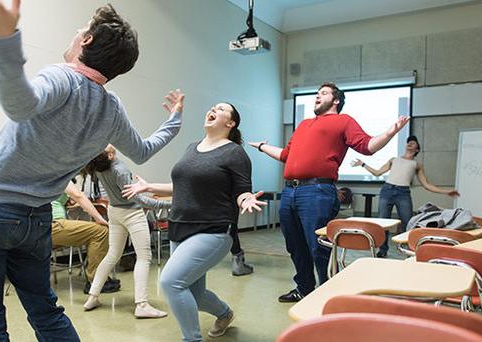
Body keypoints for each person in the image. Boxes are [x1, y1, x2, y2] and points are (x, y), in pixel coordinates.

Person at [0, 2, 182, 340]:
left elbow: (20, 106)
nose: (75, 32)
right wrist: (174, 120)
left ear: (87, 40)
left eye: (81, 28)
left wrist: (5, 40)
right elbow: (143, 151)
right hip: (34, 222)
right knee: (46, 312)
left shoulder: (63, 76)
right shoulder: (111, 108)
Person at [249, 82, 409, 303]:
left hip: (317, 191)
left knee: (318, 247)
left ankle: (327, 292)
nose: (317, 97)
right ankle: (304, 288)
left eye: (323, 93)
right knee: (294, 245)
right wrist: (261, 147)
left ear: (335, 101)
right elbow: (286, 155)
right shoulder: (304, 124)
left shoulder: (344, 121)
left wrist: (392, 131)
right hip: (290, 192)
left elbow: (367, 146)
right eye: (316, 94)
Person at [122, 102, 266, 341]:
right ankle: (224, 314)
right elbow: (181, 186)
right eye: (212, 107)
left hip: (214, 229)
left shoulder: (234, 152)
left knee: (171, 282)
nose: (213, 109)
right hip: (181, 227)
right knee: (195, 295)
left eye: (221, 109)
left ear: (230, 123)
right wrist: (149, 186)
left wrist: (246, 199)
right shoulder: (192, 148)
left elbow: (242, 190)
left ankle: (192, 338)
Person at [81, 145, 171, 317]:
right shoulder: (119, 169)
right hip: (132, 214)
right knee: (144, 257)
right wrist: (170, 203)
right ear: (110, 154)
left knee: (112, 255)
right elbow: (139, 199)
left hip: (114, 212)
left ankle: (93, 296)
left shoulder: (98, 167)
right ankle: (142, 305)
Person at [351, 135, 460, 257]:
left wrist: (446, 191)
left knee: (408, 222)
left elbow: (427, 185)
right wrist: (362, 164)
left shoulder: (416, 164)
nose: (410, 143)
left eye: (413, 143)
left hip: (403, 193)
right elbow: (378, 173)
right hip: (387, 190)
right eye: (409, 142)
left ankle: (409, 249)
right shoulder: (393, 160)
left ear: (417, 149)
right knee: (383, 222)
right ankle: (382, 250)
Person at [51, 181, 121, 294]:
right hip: (54, 225)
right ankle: (95, 281)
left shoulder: (44, 175)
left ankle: (97, 277)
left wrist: (67, 199)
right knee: (101, 231)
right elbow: (78, 196)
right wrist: (99, 218)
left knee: (91, 234)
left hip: (41, 227)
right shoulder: (62, 176)